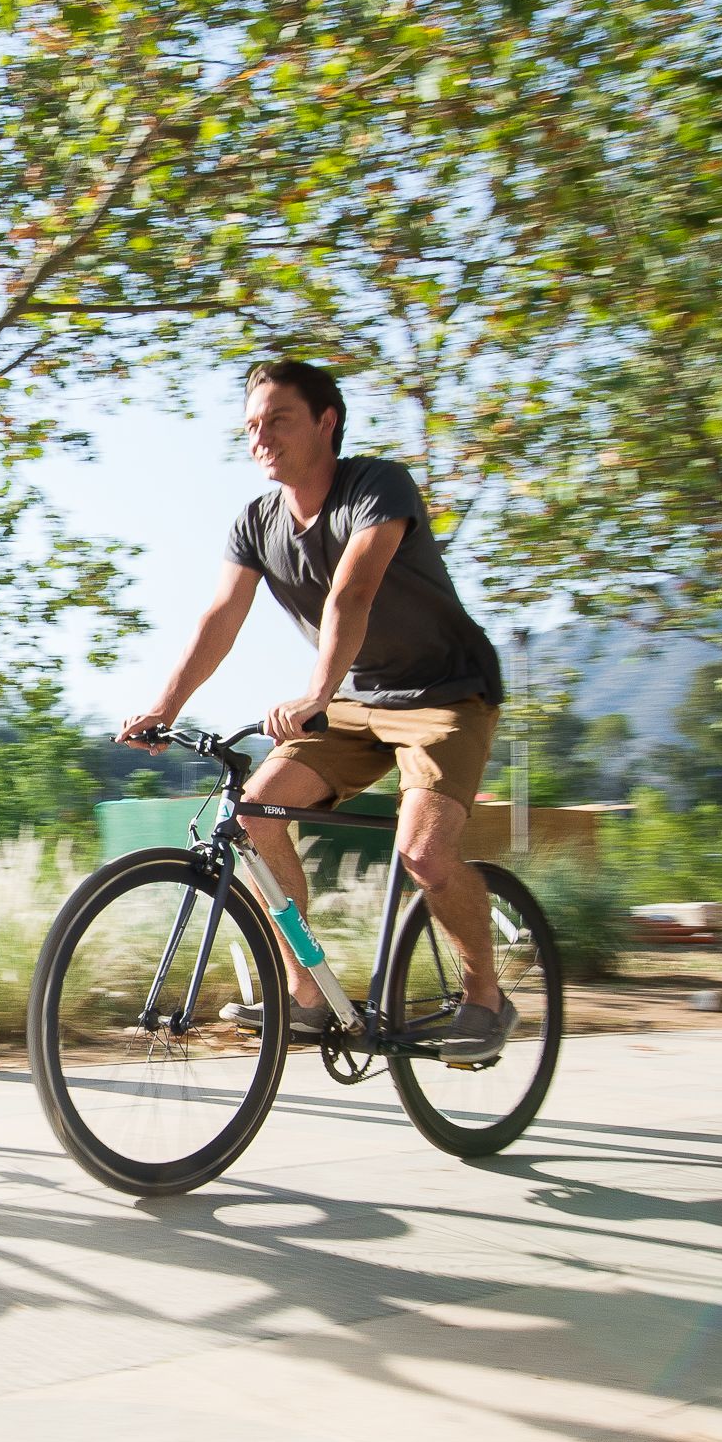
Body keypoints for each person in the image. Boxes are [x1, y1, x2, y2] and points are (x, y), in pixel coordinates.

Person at [119, 360, 516, 1054]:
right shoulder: (255, 522)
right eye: (251, 426)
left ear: (326, 422)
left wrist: (315, 694)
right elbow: (220, 617)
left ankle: (486, 995)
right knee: (253, 819)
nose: (261, 437)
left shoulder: (376, 485)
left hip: (443, 697)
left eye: (279, 420)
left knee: (423, 855)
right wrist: (164, 706)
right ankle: (308, 994)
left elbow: (352, 593)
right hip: (353, 701)